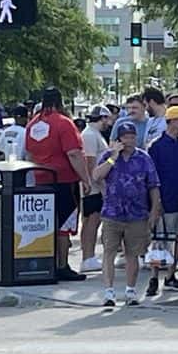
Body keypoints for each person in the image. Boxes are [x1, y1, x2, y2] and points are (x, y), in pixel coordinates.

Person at [25, 86, 91, 281]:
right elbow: (74, 154)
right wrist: (85, 179)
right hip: (64, 181)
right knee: (64, 225)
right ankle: (62, 264)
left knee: (45, 224)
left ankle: (47, 262)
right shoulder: (64, 123)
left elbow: (29, 153)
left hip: (39, 181)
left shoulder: (32, 124)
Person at [93, 121, 162, 306]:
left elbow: (153, 185)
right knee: (109, 252)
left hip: (137, 214)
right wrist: (113, 157)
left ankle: (130, 291)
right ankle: (109, 292)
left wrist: (155, 209)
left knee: (132, 253)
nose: (129, 141)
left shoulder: (143, 158)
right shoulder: (108, 156)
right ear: (119, 139)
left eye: (132, 137)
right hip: (112, 213)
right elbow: (97, 176)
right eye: (125, 137)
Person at [145, 106, 178, 295]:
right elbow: (152, 178)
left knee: (177, 239)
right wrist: (155, 204)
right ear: (173, 121)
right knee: (161, 241)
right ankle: (153, 277)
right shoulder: (156, 146)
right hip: (166, 201)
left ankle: (170, 275)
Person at [79, 104, 112, 273]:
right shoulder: (90, 135)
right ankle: (88, 256)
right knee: (92, 220)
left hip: (94, 186)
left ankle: (88, 256)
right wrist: (98, 183)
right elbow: (91, 162)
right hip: (94, 187)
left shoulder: (92, 134)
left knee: (91, 221)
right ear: (103, 118)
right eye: (107, 118)